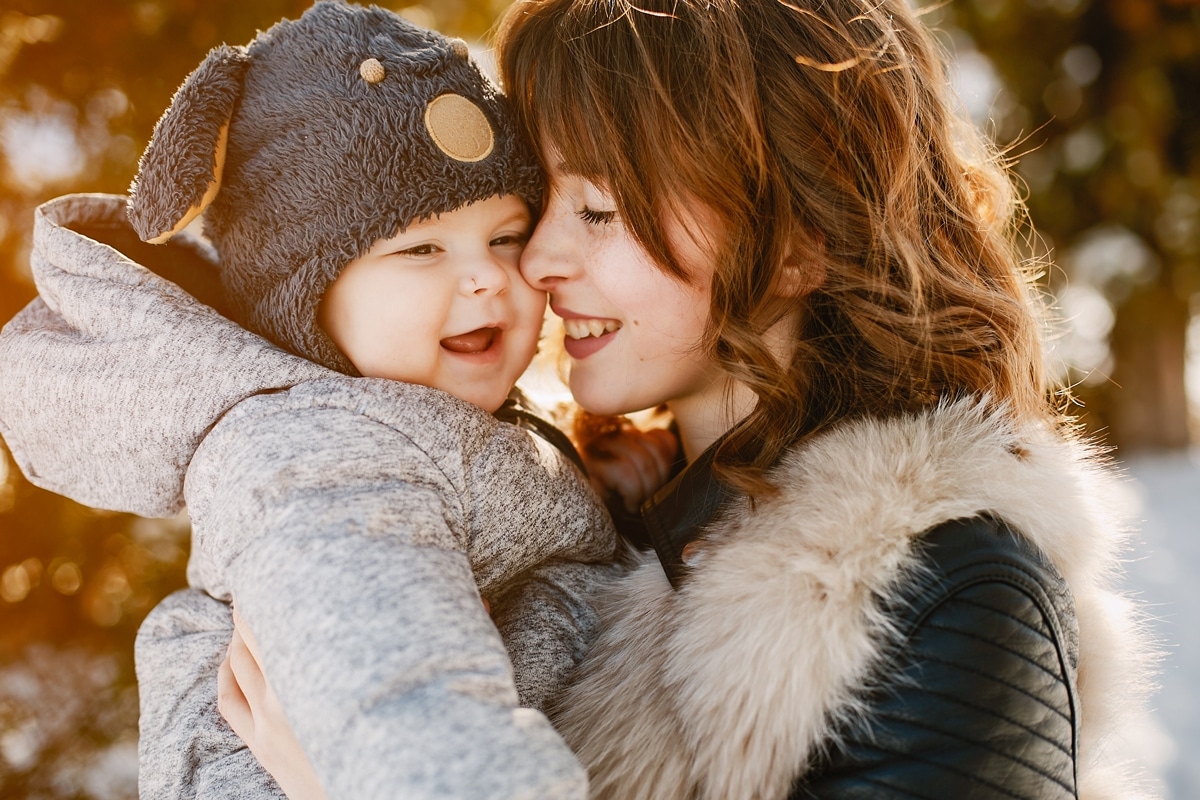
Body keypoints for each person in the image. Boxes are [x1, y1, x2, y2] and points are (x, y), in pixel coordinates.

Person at [226, 0, 1159, 797]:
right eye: (537, 205)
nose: (539, 262)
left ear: (798, 239)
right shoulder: (590, 536)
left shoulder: (944, 590)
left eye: (598, 210)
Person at [0, 2, 640, 798]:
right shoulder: (315, 460)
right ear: (301, 296)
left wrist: (611, 491)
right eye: (420, 249)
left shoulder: (410, 422)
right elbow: (400, 706)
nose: (487, 277)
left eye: (506, 235)